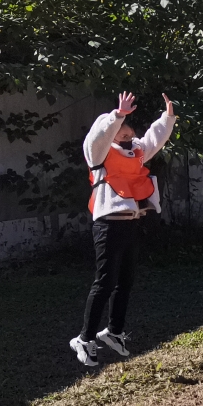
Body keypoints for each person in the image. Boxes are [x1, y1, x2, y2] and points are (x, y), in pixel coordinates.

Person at [70, 91, 176, 367]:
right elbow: (98, 137)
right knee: (105, 281)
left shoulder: (135, 151)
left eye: (130, 132)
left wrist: (168, 118)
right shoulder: (99, 153)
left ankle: (113, 332)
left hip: (130, 222)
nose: (129, 136)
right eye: (122, 132)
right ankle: (84, 338)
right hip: (107, 225)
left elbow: (153, 139)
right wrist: (117, 115)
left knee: (125, 281)